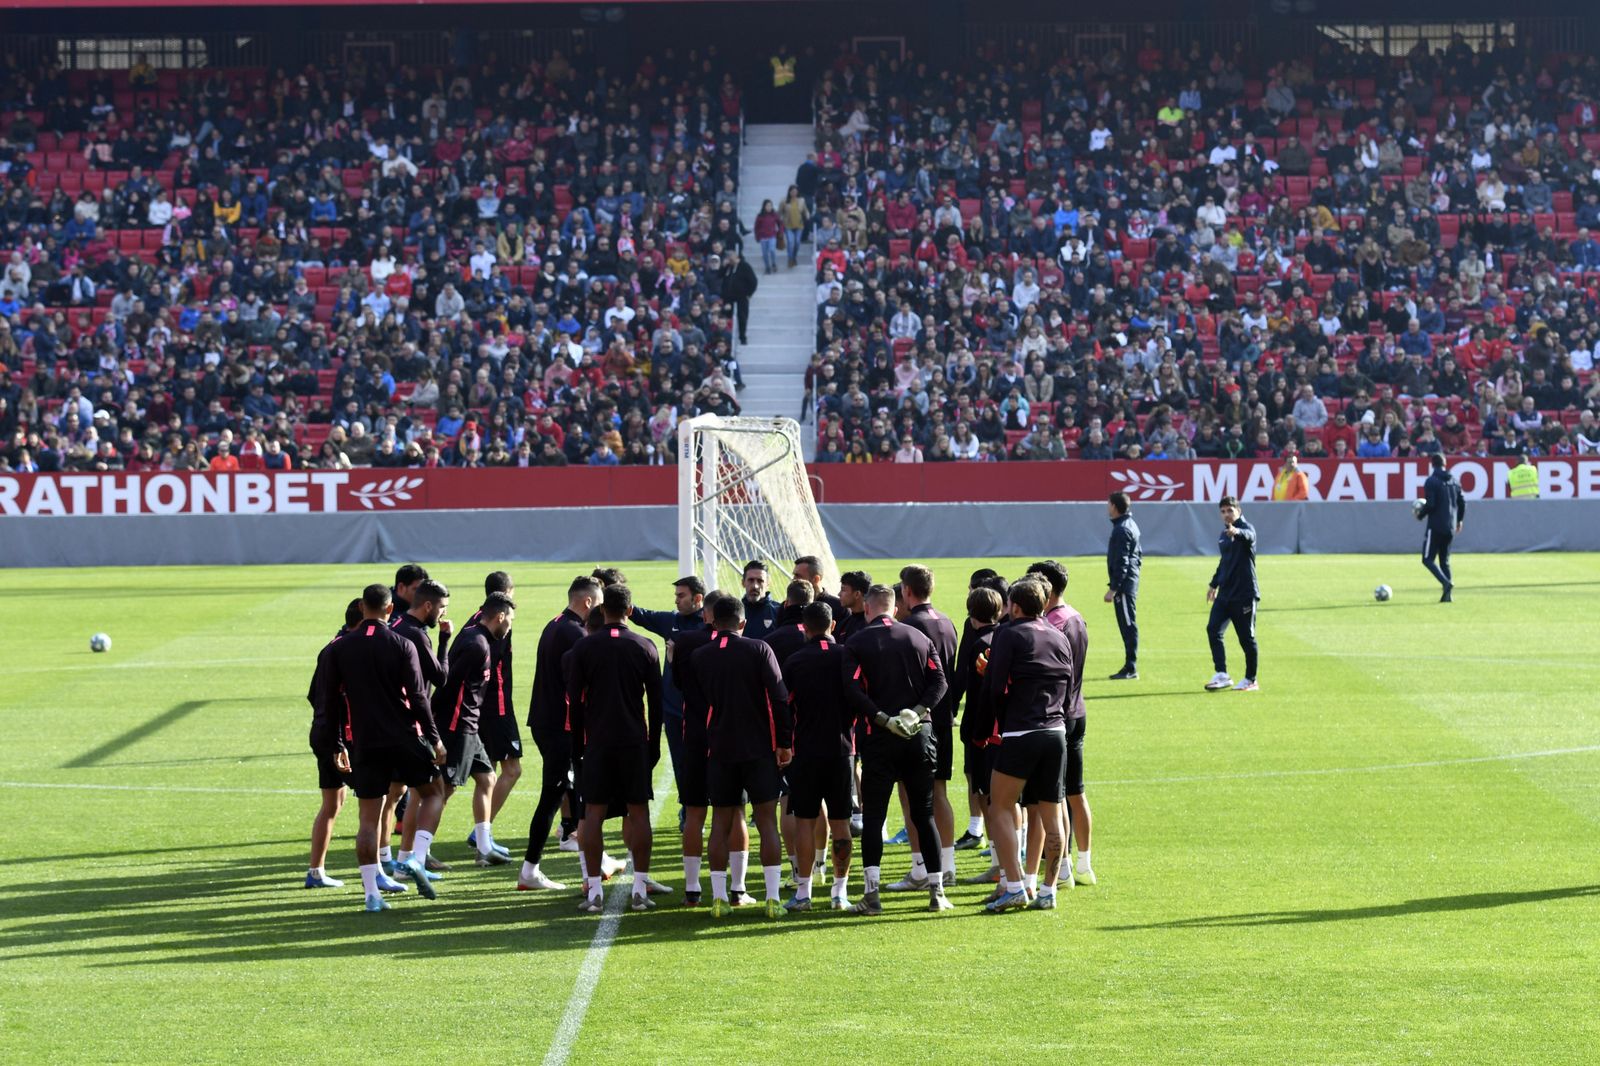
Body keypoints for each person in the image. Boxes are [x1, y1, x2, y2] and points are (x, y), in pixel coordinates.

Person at [315, 584, 445, 912]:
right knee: (433, 793)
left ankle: (371, 894)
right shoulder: (402, 644)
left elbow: (328, 703)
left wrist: (336, 745)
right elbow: (418, 697)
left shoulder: (339, 649)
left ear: (362, 607)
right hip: (403, 737)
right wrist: (434, 738)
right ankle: (415, 858)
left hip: (365, 743)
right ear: (390, 610)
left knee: (368, 819)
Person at [842, 584, 952, 916]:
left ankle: (872, 895)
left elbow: (850, 689)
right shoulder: (918, 637)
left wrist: (882, 718)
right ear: (895, 606)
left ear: (869, 608)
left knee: (874, 816)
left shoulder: (857, 641)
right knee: (923, 814)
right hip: (919, 736)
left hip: (878, 738)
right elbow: (941, 682)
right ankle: (937, 892)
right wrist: (916, 713)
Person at [689, 595, 793, 919]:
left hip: (719, 750)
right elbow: (779, 698)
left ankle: (719, 898)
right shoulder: (759, 649)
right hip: (758, 749)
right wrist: (785, 743)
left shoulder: (699, 656)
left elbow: (696, 707)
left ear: (712, 621)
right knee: (766, 823)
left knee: (720, 823)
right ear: (743, 623)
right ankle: (773, 899)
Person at [977, 578, 1076, 912]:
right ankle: (1048, 890)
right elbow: (1069, 682)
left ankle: (1015, 885)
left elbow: (994, 687)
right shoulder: (1058, 636)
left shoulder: (1009, 634)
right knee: (1052, 813)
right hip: (1057, 731)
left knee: (1000, 807)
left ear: (1014, 606)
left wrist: (1001, 721)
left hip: (1022, 731)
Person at [565, 583, 664, 914]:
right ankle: (640, 889)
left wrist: (579, 743)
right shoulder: (645, 646)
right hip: (634, 741)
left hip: (598, 742)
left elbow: (575, 704)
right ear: (630, 610)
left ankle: (594, 892)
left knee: (592, 814)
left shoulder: (584, 648)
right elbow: (657, 702)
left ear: (603, 609)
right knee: (639, 812)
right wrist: (653, 744)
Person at [518, 575, 604, 892]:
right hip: (559, 725)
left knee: (571, 790)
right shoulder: (575, 632)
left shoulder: (555, 624)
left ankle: (593, 862)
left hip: (546, 721)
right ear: (587, 602)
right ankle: (530, 870)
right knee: (554, 795)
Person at [670, 590, 753, 907]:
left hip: (694, 736)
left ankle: (692, 889)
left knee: (694, 813)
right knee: (735, 813)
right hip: (730, 739)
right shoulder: (745, 646)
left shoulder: (687, 643)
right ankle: (737, 889)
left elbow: (678, 684)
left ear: (707, 614)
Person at [779, 602, 855, 911]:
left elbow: (785, 708)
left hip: (806, 752)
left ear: (805, 628)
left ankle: (804, 893)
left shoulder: (795, 661)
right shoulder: (847, 656)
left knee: (805, 822)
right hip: (842, 752)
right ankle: (840, 893)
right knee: (841, 824)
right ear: (833, 625)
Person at [431, 592, 516, 866]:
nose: (511, 625)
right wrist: (437, 729)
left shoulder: (481, 639)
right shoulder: (477, 644)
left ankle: (483, 848)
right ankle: (416, 854)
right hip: (458, 725)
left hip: (470, 724)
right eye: (510, 619)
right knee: (441, 790)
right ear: (500, 616)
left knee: (488, 778)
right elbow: (448, 685)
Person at [891, 565, 960, 890]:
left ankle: (920, 867)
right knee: (939, 792)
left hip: (919, 721)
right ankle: (947, 864)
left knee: (911, 796)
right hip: (944, 718)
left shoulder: (909, 626)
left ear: (906, 591)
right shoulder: (946, 622)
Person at [1026, 561, 1093, 889]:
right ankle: (1085, 862)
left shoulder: (1051, 624)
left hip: (1057, 714)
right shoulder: (1076, 617)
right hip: (1078, 709)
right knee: (1076, 792)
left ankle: (1062, 866)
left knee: (1055, 796)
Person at [390, 580, 454, 876]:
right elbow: (440, 678)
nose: (442, 615)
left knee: (394, 796)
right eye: (441, 608)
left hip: (385, 723)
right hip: (411, 725)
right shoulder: (417, 634)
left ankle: (398, 861)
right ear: (428, 605)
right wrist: (444, 641)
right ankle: (415, 859)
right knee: (434, 791)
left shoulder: (396, 624)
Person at [630, 575, 709, 807]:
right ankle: (688, 809)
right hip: (673, 710)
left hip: (703, 710)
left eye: (681, 596)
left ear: (698, 598)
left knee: (708, 762)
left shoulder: (709, 626)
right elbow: (636, 613)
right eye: (676, 595)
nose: (676, 600)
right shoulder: (670, 621)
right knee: (680, 762)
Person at [304, 598, 364, 889]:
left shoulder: (337, 646)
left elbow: (314, 695)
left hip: (328, 734)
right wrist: (339, 742)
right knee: (376, 796)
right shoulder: (339, 650)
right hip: (336, 736)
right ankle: (379, 866)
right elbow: (324, 698)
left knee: (334, 802)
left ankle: (316, 871)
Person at [468, 572, 520, 859]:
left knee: (483, 775)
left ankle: (482, 834)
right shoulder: (499, 624)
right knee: (511, 770)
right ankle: (481, 834)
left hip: (479, 709)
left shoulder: (477, 619)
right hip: (495, 707)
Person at [1204, 495, 1260, 692]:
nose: (1227, 514)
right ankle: (1222, 674)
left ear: (1239, 511)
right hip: (1225, 595)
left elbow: (1250, 537)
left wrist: (1236, 531)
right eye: (1223, 511)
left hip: (1244, 594)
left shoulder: (1245, 529)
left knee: (1246, 638)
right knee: (1213, 629)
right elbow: (1225, 562)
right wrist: (1213, 584)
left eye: (1230, 510)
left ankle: (1251, 679)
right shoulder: (1223, 534)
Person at [1418, 454, 1465, 603]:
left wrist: (1421, 514)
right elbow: (1462, 502)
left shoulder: (1431, 481)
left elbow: (1431, 504)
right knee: (1444, 561)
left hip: (1436, 526)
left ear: (1432, 464)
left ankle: (1445, 583)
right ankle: (1447, 596)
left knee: (1427, 559)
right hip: (1450, 526)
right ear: (1445, 464)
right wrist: (1459, 520)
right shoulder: (1454, 481)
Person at [1105, 491, 1142, 680]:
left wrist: (1115, 587)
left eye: (1109, 504)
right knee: (1126, 624)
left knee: (1128, 624)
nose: (1107, 507)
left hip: (1125, 586)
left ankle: (1131, 666)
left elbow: (1123, 561)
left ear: (1114, 506)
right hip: (1128, 583)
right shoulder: (1128, 525)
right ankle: (1129, 665)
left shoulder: (1122, 529)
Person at [793, 554, 843, 623]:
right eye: (794, 575)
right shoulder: (790, 605)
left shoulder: (838, 607)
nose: (794, 579)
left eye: (798, 576)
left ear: (816, 579)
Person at [737, 560, 780, 639]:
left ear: (768, 583)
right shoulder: (734, 612)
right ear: (743, 583)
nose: (755, 586)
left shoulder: (779, 611)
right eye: (751, 580)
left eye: (760, 581)